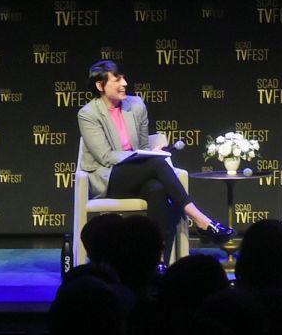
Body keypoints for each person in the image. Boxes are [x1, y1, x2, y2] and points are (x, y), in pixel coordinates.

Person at [76, 59, 230, 258]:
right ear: (100, 86)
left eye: (123, 78)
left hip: (137, 175)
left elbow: (142, 147)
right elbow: (105, 157)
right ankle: (201, 220)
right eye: (117, 79)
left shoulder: (136, 105)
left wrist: (150, 152)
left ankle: (158, 260)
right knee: (157, 163)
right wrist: (147, 157)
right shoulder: (88, 114)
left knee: (157, 189)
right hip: (108, 178)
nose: (124, 83)